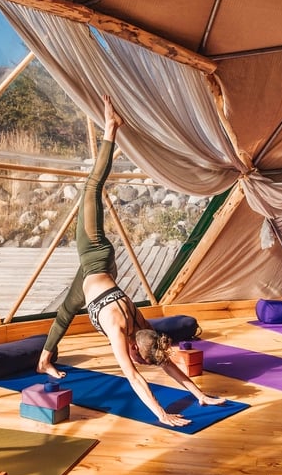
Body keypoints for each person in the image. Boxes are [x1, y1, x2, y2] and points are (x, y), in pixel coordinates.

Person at [37, 94, 226, 427]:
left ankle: (43, 360)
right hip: (95, 255)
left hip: (97, 274)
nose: (137, 359)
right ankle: (111, 128)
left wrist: (200, 395)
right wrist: (162, 415)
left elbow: (164, 362)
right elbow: (134, 378)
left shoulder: (143, 329)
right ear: (137, 347)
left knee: (66, 310)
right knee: (91, 187)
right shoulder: (121, 326)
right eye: (138, 356)